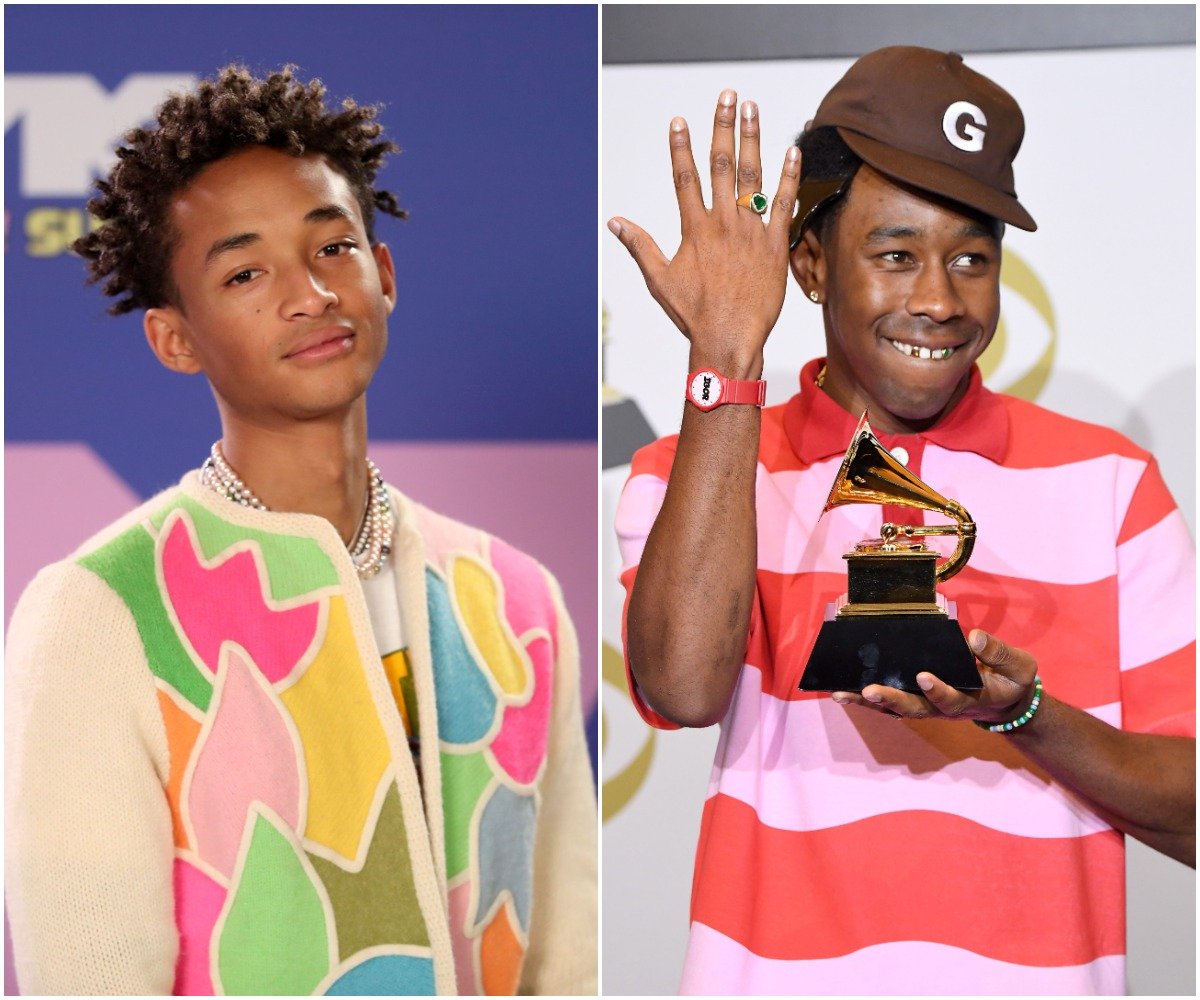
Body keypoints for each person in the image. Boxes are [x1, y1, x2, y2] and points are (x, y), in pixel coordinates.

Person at [608, 47, 1194, 995]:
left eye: (972, 258)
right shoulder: (697, 466)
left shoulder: (1114, 484)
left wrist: (1028, 716)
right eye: (895, 254)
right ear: (808, 260)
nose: (939, 298)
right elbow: (679, 689)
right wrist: (724, 352)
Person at [5, 65, 596, 996]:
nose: (309, 294)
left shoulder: (514, 598)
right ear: (175, 338)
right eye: (245, 272)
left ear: (384, 273)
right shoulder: (100, 613)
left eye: (332, 249)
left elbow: (569, 960)